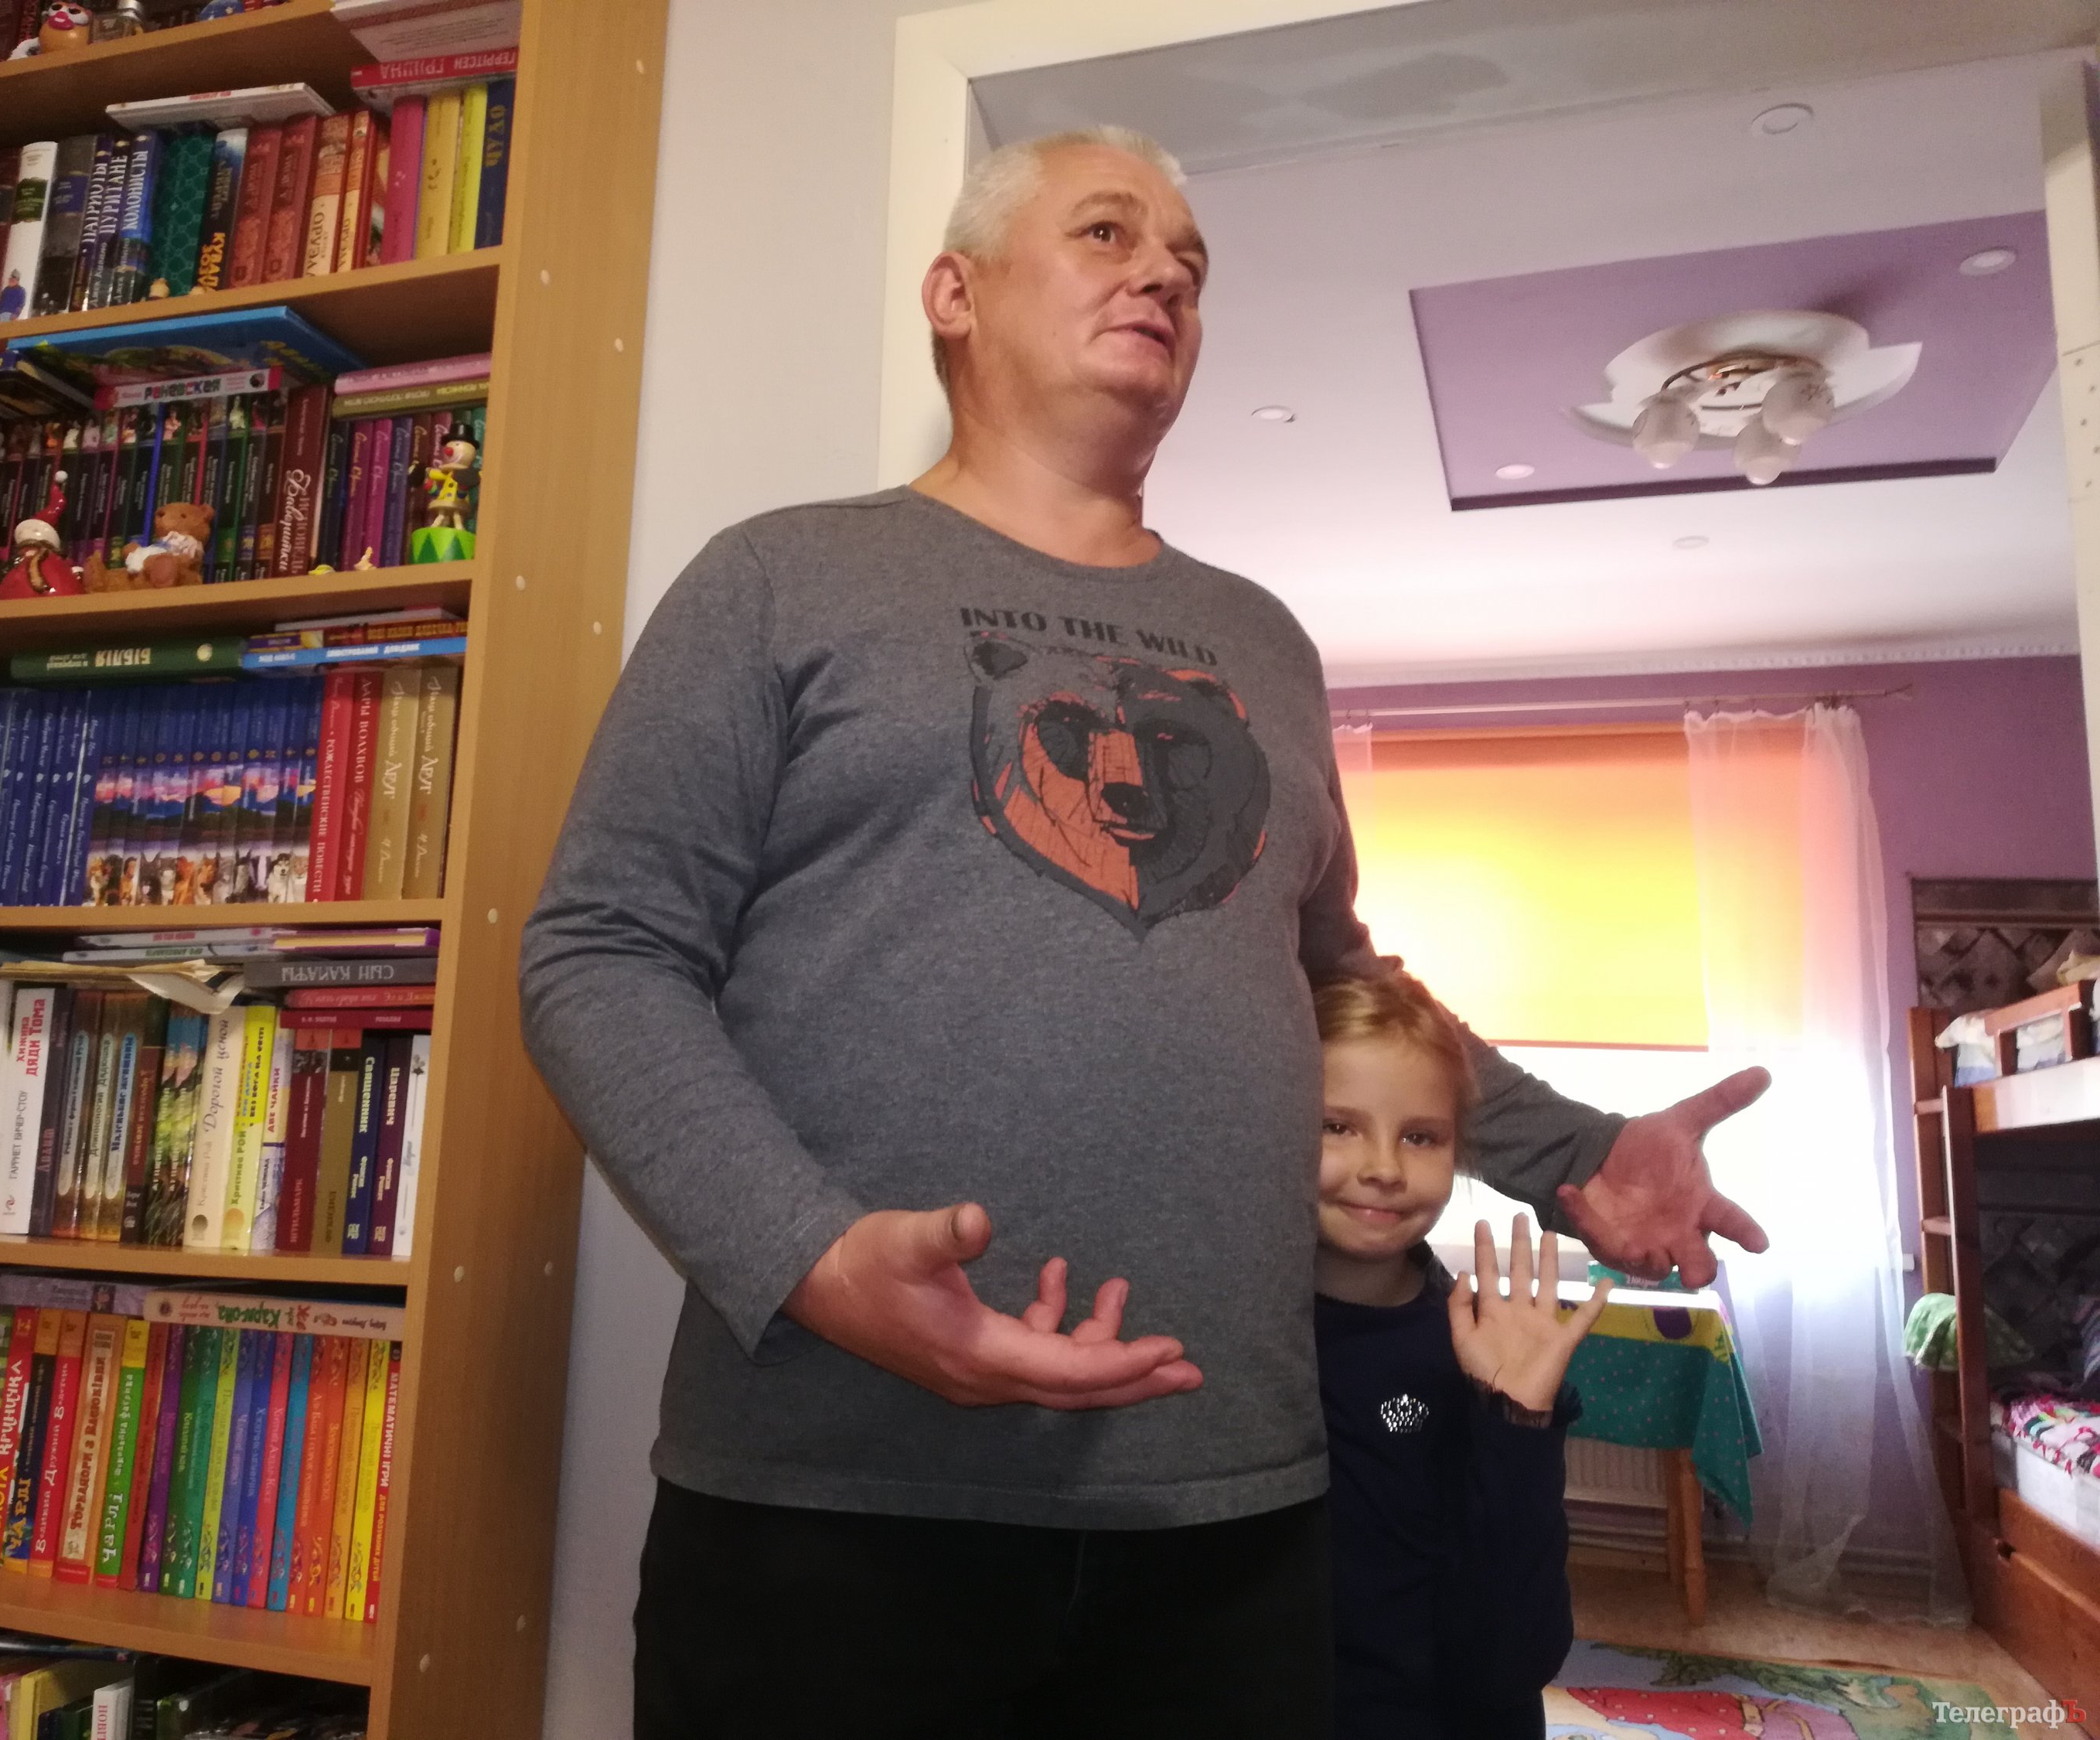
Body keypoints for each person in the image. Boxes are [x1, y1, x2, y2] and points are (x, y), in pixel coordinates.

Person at [520, 124, 1767, 1736]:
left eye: (1190, 260)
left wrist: (1578, 1153)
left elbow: (1337, 983)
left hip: (1230, 1511)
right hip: (834, 1497)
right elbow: (600, 951)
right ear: (956, 293)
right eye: (1108, 233)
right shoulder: (779, 579)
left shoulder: (1264, 643)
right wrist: (811, 1261)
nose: (1165, 274)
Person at [1309, 972, 1606, 1737]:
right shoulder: (1238, 1334)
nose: (1384, 1166)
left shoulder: (1479, 1348)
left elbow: (1517, 1651)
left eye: (1420, 1136)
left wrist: (1517, 1419)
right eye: (1337, 1126)